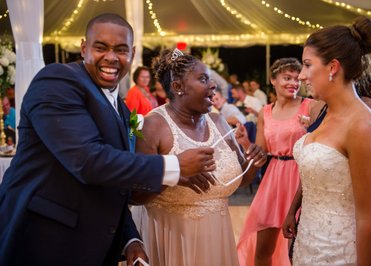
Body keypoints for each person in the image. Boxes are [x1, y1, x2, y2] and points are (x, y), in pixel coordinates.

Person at [0, 13, 217, 266]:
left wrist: (130, 240)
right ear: (84, 48)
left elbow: (113, 186)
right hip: (42, 242)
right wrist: (175, 166)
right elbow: (88, 161)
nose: (112, 57)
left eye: (121, 50)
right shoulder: (57, 80)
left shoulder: (123, 110)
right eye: (101, 47)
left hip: (92, 247)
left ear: (132, 54)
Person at [132, 48, 268, 266]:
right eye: (204, 79)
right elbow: (135, 195)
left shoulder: (218, 121)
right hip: (173, 237)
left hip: (218, 235)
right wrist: (174, 173)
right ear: (178, 87)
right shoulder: (153, 125)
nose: (213, 85)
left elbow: (241, 179)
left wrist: (254, 162)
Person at [290, 16, 371, 265]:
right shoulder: (326, 112)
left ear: (332, 67)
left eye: (307, 65)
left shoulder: (362, 126)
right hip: (309, 244)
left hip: (342, 254)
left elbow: (368, 219)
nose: (301, 76)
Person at [236, 58, 323, 266]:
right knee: (262, 248)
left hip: (300, 177)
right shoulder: (265, 112)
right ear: (273, 80)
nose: (293, 82)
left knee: (298, 246)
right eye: (287, 78)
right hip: (273, 179)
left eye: (296, 78)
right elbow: (261, 154)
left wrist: (310, 128)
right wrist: (245, 142)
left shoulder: (310, 106)